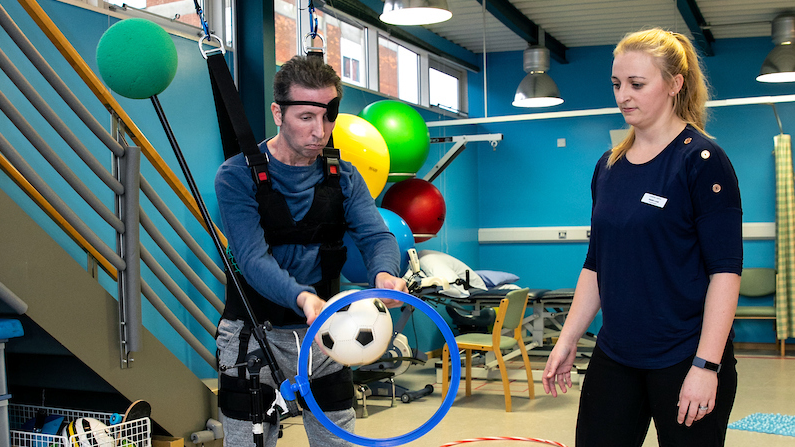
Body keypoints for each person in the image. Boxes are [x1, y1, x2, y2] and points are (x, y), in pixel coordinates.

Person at [542, 29, 742, 447]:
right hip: (616, 354)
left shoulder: (702, 161)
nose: (623, 96)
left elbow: (725, 272)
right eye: (617, 84)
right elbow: (596, 263)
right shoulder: (608, 166)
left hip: (685, 355)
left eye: (637, 84)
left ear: (674, 84)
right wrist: (567, 338)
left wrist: (707, 366)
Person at [214, 54, 407, 447]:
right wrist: (303, 296)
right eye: (305, 117)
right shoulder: (236, 176)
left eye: (328, 117)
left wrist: (384, 273)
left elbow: (376, 236)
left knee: (338, 440)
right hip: (254, 334)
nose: (319, 131)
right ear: (278, 113)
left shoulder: (344, 176)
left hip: (327, 332)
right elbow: (251, 259)